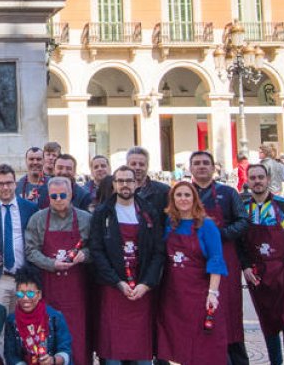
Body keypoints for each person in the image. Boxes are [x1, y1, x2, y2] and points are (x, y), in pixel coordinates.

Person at [89, 167, 164, 365]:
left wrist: (146, 284)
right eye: (120, 181)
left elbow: (158, 252)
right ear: (113, 184)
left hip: (142, 289)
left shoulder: (149, 212)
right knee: (113, 347)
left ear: (136, 184)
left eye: (129, 181)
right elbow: (97, 251)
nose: (125, 185)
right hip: (114, 288)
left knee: (141, 348)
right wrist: (117, 282)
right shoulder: (102, 213)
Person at [156, 181, 227, 365]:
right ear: (173, 199)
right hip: (173, 295)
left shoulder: (207, 225)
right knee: (177, 344)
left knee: (203, 346)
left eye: (187, 195)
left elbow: (216, 259)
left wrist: (213, 293)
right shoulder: (169, 224)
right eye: (178, 195)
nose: (183, 199)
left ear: (194, 198)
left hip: (199, 294)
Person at [189, 150, 249, 365]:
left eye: (206, 163)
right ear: (190, 169)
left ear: (213, 168)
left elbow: (243, 221)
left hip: (225, 259)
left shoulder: (228, 193)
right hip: (195, 262)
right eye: (197, 163)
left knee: (229, 312)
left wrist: (218, 236)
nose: (201, 166)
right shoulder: (185, 193)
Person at [242, 165, 284, 365]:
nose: (257, 181)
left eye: (261, 177)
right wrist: (245, 266)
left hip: (281, 270)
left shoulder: (283, 205)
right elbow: (240, 241)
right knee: (267, 320)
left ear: (268, 179)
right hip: (257, 272)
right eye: (253, 178)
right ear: (248, 180)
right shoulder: (244, 208)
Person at [25, 177, 91, 365]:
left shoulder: (86, 219)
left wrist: (84, 255)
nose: (59, 199)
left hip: (77, 292)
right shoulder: (37, 219)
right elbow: (30, 250)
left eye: (63, 195)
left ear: (71, 194)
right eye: (54, 196)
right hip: (49, 289)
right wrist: (51, 264)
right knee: (50, 334)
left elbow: (96, 249)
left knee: (77, 337)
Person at [0, 164, 37, 310]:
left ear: (15, 184)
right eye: (0, 184)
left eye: (9, 183)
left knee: (21, 325)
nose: (5, 187)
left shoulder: (30, 208)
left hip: (24, 278)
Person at [2, 268, 72, 365]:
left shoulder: (55, 317)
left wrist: (53, 360)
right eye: (20, 293)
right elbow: (11, 355)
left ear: (39, 294)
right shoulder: (12, 321)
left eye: (30, 293)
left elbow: (66, 350)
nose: (25, 298)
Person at [126, 147, 168, 214]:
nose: (137, 167)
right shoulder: (119, 192)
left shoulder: (163, 191)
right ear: (127, 166)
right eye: (133, 164)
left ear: (147, 166)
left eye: (141, 164)